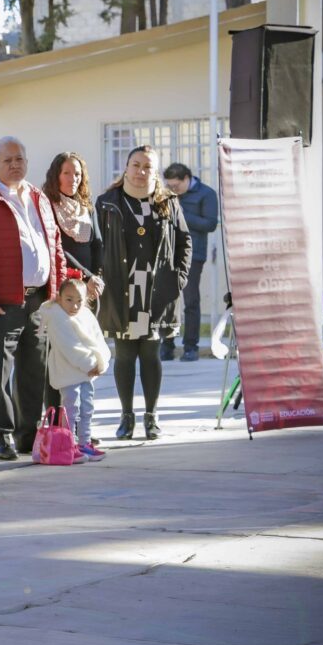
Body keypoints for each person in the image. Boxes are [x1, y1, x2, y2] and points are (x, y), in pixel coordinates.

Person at [0, 137, 66, 459]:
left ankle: (28, 436)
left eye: (20, 159)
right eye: (7, 160)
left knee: (34, 371)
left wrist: (58, 291)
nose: (15, 165)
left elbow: (54, 246)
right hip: (1, 302)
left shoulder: (38, 197)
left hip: (39, 300)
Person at [96, 146, 192, 440]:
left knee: (151, 353)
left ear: (155, 172)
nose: (140, 171)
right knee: (124, 355)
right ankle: (127, 417)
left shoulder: (169, 202)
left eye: (147, 167)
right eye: (135, 165)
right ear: (126, 168)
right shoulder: (107, 202)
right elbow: (97, 245)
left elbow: (184, 240)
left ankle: (151, 417)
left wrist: (179, 278)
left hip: (156, 290)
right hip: (121, 290)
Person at [39, 279, 110, 460]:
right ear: (59, 298)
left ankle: (84, 443)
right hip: (69, 372)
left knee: (87, 407)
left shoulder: (86, 315)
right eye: (69, 300)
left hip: (86, 373)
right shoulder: (57, 317)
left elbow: (97, 339)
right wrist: (91, 363)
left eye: (79, 300)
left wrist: (101, 361)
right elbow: (70, 346)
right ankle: (68, 444)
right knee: (72, 408)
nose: (74, 305)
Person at [162, 163, 219, 362]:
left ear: (187, 179)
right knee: (166, 301)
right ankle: (166, 346)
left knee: (190, 300)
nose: (173, 190)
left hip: (193, 254)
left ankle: (190, 347)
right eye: (169, 186)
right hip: (167, 252)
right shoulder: (167, 194)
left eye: (176, 186)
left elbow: (210, 224)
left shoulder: (206, 193)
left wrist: (182, 212)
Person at [43, 152, 105, 300]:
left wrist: (95, 277)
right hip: (62, 287)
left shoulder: (87, 207)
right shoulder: (46, 206)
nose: (73, 179)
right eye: (66, 173)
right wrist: (86, 276)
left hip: (88, 288)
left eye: (77, 174)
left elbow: (97, 244)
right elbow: (57, 249)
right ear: (56, 176)